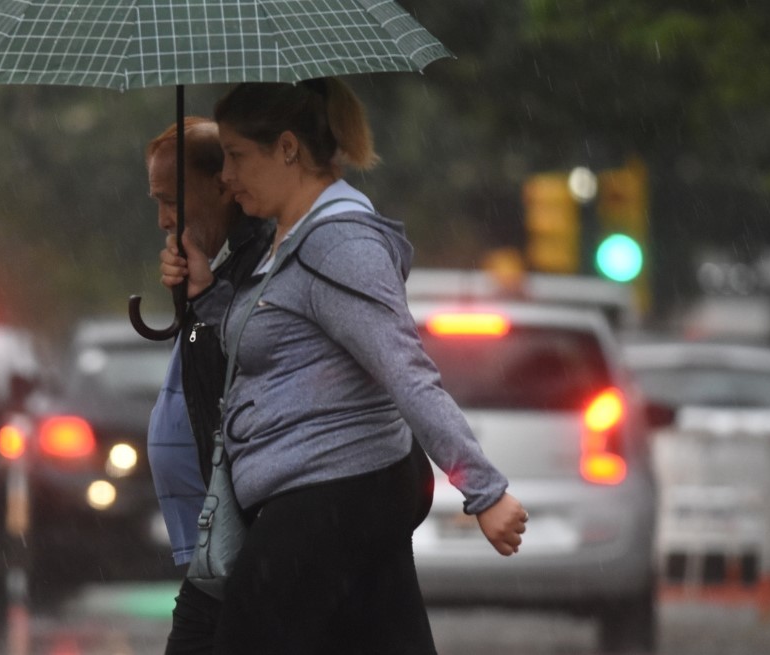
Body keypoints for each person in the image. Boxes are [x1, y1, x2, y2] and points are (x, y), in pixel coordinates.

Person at [159, 78, 528, 654]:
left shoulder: (340, 245)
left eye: (236, 157)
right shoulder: (293, 239)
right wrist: (206, 293)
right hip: (339, 493)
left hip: (329, 493)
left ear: (287, 148)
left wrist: (483, 490)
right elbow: (272, 339)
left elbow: (406, 372)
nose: (225, 178)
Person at [144, 117, 273, 654]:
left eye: (168, 199)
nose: (162, 219)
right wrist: (196, 289)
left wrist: (209, 293)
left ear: (221, 183)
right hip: (219, 528)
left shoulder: (264, 258)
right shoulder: (223, 261)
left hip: (244, 522)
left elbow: (256, 357)